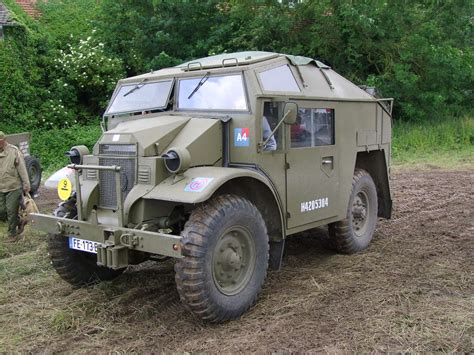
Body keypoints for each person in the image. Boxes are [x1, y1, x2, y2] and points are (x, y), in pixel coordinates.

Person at [0, 131, 30, 242]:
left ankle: (12, 235)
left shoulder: (14, 151)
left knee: (11, 211)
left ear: (3, 140)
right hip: (0, 187)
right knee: (2, 211)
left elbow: (22, 169)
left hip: (13, 187)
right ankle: (20, 221)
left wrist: (26, 184)